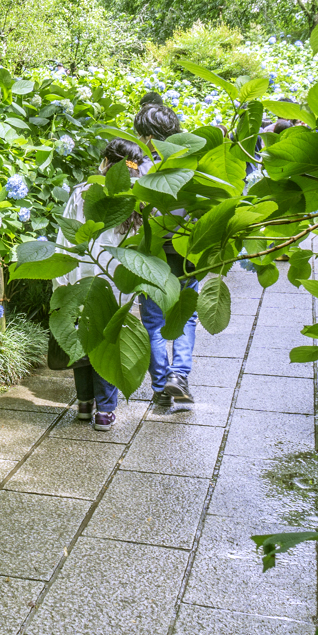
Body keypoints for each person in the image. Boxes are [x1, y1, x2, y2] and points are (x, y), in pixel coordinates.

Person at [54, 136, 148, 430]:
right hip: (116, 282)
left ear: (106, 161)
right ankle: (105, 411)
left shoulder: (84, 191)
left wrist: (60, 281)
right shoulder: (139, 198)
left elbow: (65, 238)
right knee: (108, 343)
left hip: (80, 278)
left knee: (81, 339)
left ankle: (84, 404)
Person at [133, 93, 199, 411]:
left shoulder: (135, 166)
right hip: (188, 249)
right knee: (187, 314)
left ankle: (161, 387)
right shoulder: (190, 159)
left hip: (152, 253)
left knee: (153, 321)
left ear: (146, 136)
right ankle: (180, 377)